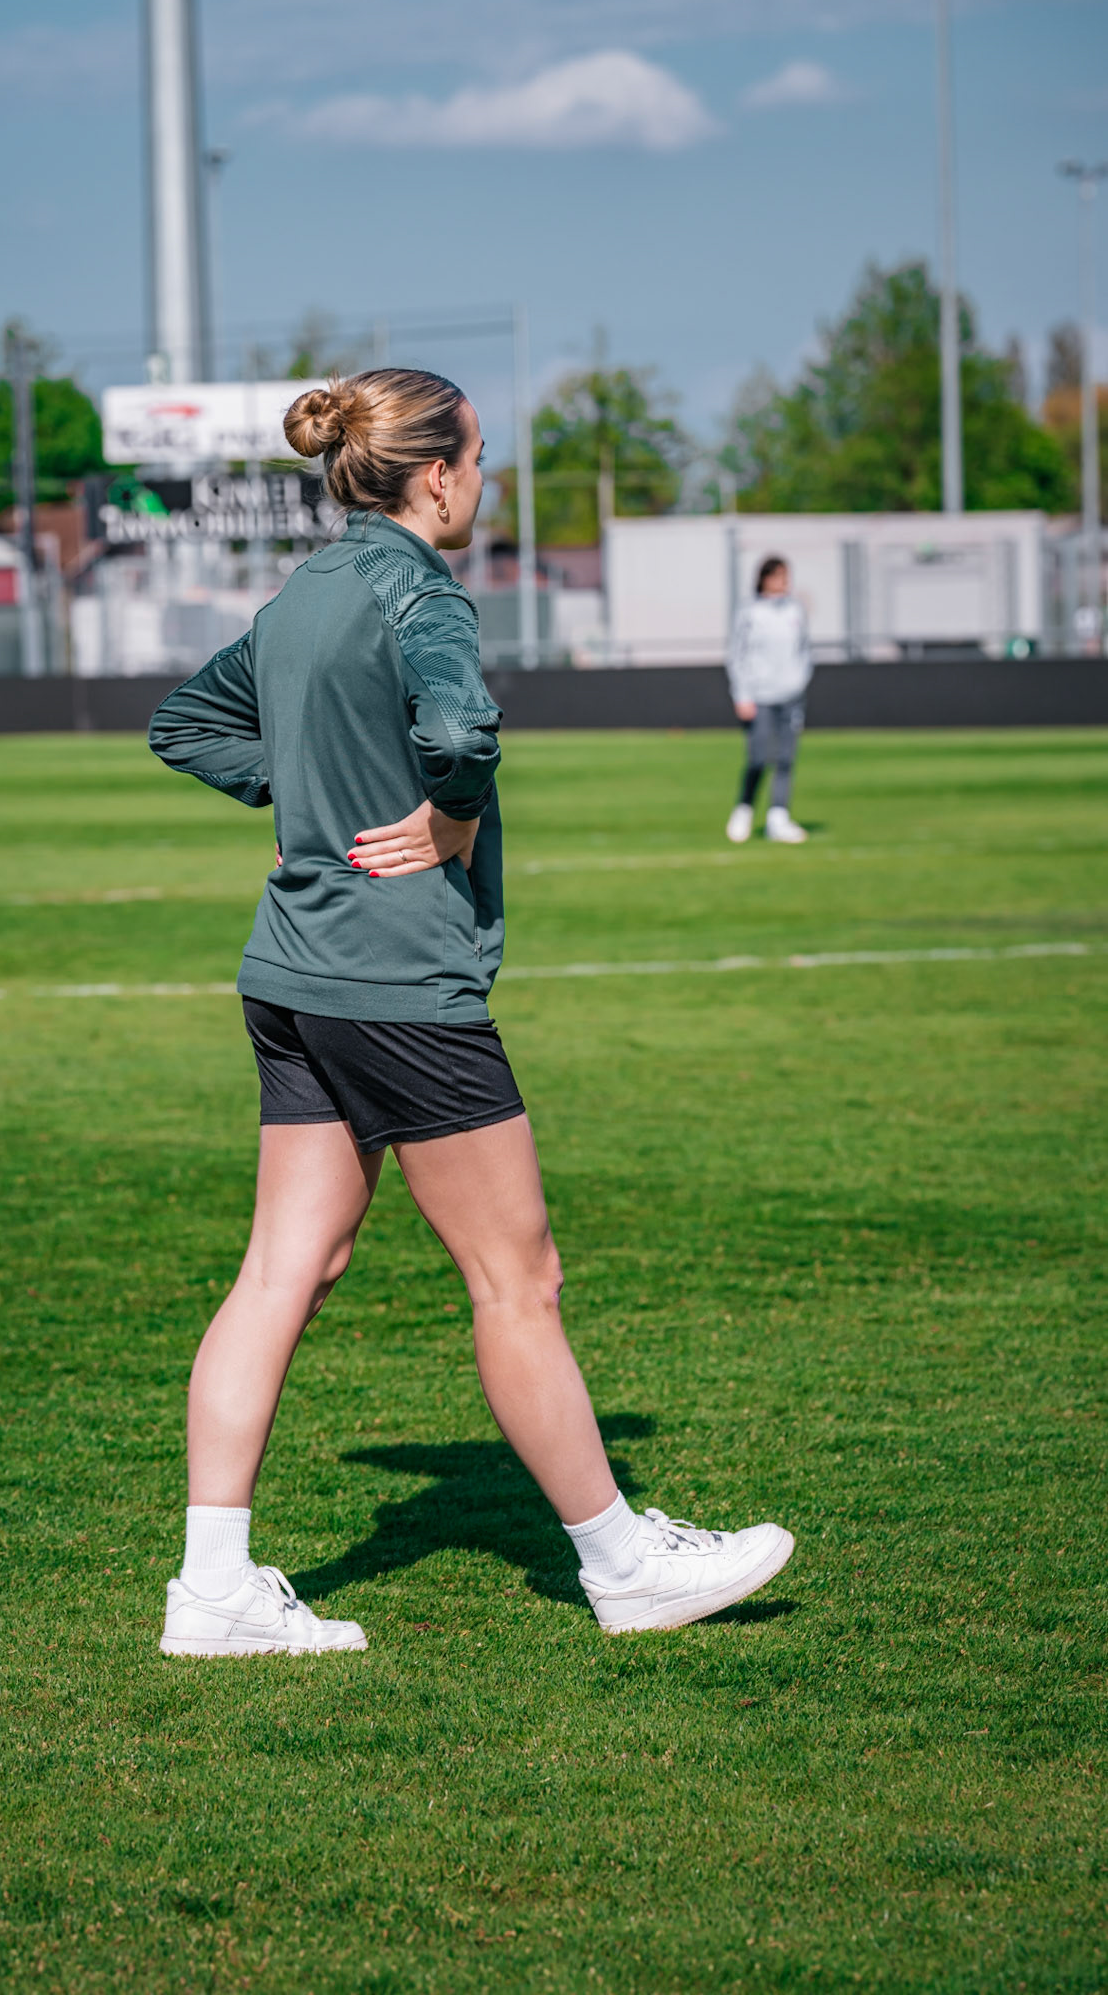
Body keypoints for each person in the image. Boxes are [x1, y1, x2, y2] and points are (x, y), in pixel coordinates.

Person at [148, 369, 795, 1658]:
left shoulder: (300, 596)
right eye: (480, 457)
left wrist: (306, 787)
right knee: (520, 1278)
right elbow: (457, 724)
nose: (483, 480)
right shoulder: (420, 591)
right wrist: (444, 805)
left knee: (289, 1266)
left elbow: (185, 721)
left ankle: (210, 1586)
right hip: (398, 987)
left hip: (290, 976)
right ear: (434, 473)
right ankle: (622, 1562)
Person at [725, 555, 812, 844]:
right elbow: (736, 655)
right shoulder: (750, 613)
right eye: (778, 577)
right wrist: (742, 694)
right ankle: (745, 808)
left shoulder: (795, 610)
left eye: (786, 577)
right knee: (759, 757)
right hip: (759, 695)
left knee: (786, 758)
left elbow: (804, 650)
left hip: (790, 695)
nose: (783, 583)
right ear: (764, 578)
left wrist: (799, 681)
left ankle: (779, 817)